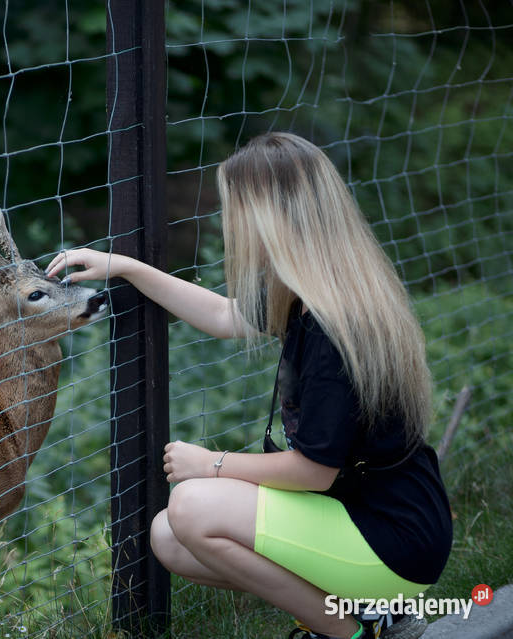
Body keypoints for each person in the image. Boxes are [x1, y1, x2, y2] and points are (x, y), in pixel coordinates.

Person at [45, 132, 452, 639]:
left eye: (234, 209)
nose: (228, 222)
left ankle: (348, 632)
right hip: (362, 512)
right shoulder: (313, 292)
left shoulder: (331, 329)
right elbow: (224, 315)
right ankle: (368, 614)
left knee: (192, 507)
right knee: (169, 538)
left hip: (394, 539)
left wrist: (211, 464)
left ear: (268, 218)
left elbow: (314, 472)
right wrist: (127, 267)